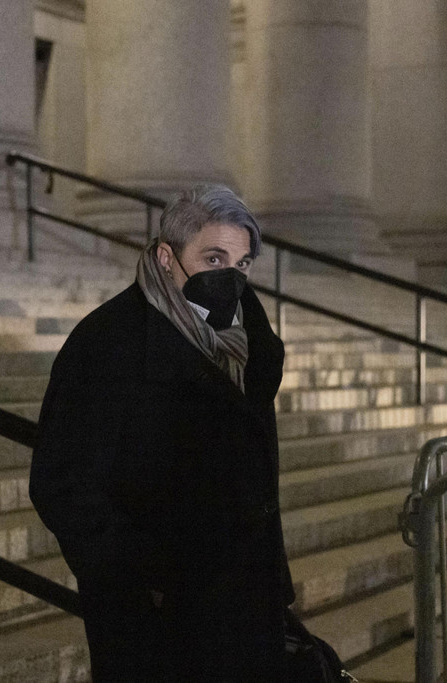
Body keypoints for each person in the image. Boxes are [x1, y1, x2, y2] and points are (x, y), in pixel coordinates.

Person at [30, 185, 293, 682]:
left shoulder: (247, 342)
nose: (231, 277)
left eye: (241, 263)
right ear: (167, 258)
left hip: (245, 603)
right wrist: (137, 581)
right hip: (156, 616)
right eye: (213, 258)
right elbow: (62, 483)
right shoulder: (108, 342)